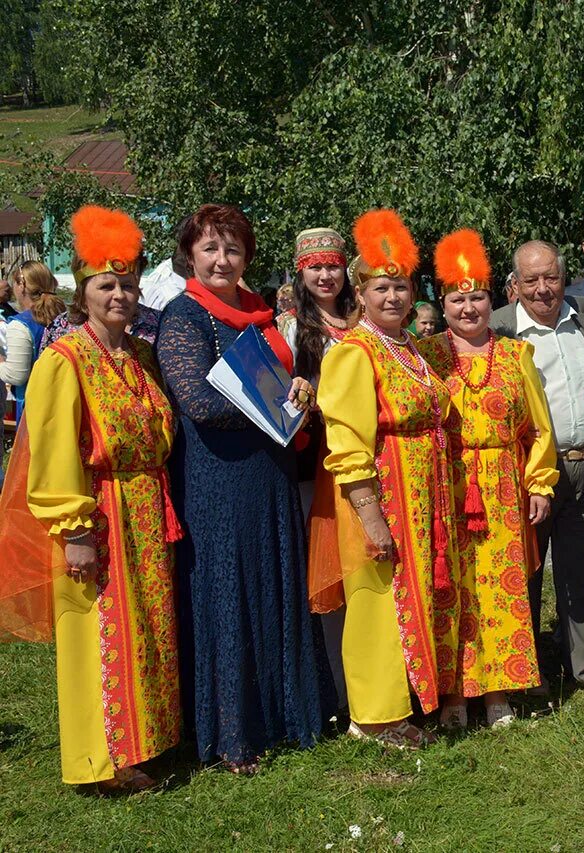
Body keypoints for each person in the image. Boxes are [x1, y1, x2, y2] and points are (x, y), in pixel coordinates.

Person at [0, 206, 181, 791]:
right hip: (98, 515)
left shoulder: (137, 358)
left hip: (147, 510)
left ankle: (141, 741)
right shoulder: (64, 360)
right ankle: (98, 760)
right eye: (108, 285)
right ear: (85, 292)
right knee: (98, 630)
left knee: (144, 627)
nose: (121, 295)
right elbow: (53, 455)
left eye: (129, 284)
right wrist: (75, 531)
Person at [156, 204, 329, 773]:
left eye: (232, 249)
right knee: (229, 593)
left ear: (247, 257)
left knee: (273, 583)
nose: (222, 260)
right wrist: (273, 404)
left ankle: (283, 716)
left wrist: (297, 392)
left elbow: (278, 381)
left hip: (270, 473)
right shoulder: (182, 316)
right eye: (210, 249)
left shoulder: (259, 314)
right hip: (218, 477)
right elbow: (199, 402)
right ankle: (232, 735)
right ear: (190, 255)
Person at [316, 209, 452, 748]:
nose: (392, 298)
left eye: (400, 287)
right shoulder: (354, 353)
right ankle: (373, 715)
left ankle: (407, 700)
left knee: (409, 595)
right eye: (381, 288)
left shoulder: (412, 349)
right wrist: (371, 518)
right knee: (376, 598)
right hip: (381, 493)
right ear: (361, 292)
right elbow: (347, 443)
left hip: (423, 488)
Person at [421, 229, 557, 728]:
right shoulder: (425, 355)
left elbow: (539, 427)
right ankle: (455, 695)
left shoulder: (517, 355)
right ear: (444, 301)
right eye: (457, 298)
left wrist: (538, 482)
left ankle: (499, 692)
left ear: (493, 298)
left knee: (500, 589)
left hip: (501, 485)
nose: (468, 308)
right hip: (446, 485)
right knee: (452, 586)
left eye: (476, 297)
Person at [491, 239, 584, 687]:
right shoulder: (498, 328)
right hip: (529, 470)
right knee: (528, 570)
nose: (543, 289)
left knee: (583, 570)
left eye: (551, 277)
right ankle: (526, 670)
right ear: (514, 285)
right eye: (531, 280)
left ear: (564, 276)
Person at [278, 227, 357, 710]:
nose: (325, 275)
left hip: (370, 457)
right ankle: (338, 689)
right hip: (316, 460)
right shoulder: (293, 328)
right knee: (330, 571)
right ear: (301, 271)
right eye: (315, 267)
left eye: (332, 265)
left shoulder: (362, 316)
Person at [0, 260, 65, 422]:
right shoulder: (64, 317)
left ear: (21, 286)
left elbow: (16, 376)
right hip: (64, 401)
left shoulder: (20, 325)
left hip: (34, 409)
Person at [39, 302, 161, 354]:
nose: (118, 294)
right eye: (106, 286)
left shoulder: (160, 323)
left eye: (127, 285)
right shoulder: (61, 328)